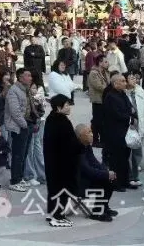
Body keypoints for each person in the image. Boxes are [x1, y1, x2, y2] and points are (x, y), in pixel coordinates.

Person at [42, 94, 78, 227]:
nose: (69, 107)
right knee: (62, 188)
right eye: (67, 105)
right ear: (58, 107)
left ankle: (52, 213)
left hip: (52, 160)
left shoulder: (51, 118)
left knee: (53, 188)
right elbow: (70, 143)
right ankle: (58, 216)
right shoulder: (62, 122)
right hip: (62, 161)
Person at [75, 124, 116, 222]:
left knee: (110, 179)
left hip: (84, 178)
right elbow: (87, 170)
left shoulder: (87, 146)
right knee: (103, 182)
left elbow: (95, 163)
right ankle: (97, 212)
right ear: (80, 136)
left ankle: (104, 207)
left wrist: (106, 172)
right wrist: (105, 174)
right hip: (76, 183)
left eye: (91, 131)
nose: (92, 134)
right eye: (88, 132)